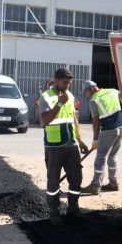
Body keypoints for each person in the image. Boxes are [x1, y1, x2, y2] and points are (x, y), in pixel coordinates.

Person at [39, 68, 89, 224]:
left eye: (69, 82)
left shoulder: (70, 95)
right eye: (65, 82)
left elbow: (73, 119)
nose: (67, 85)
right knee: (53, 181)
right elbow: (45, 120)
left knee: (76, 179)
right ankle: (54, 212)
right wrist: (60, 103)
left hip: (71, 145)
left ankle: (73, 209)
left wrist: (80, 140)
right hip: (54, 147)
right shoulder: (46, 97)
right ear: (55, 80)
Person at [80, 80, 122, 195]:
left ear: (90, 89)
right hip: (120, 129)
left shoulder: (93, 100)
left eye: (85, 93)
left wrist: (95, 140)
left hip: (108, 130)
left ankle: (95, 186)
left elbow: (96, 122)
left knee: (100, 158)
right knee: (112, 156)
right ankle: (113, 184)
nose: (86, 96)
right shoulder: (113, 91)